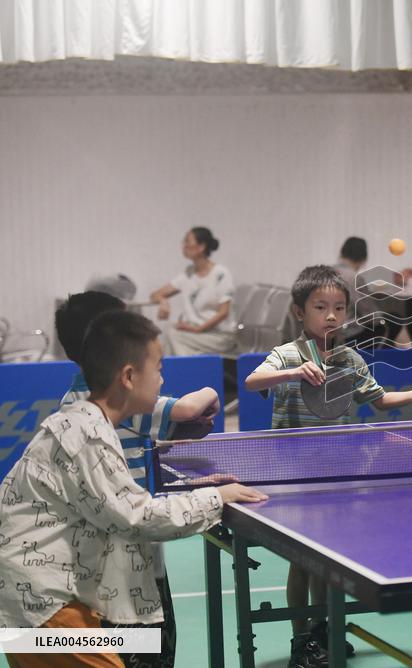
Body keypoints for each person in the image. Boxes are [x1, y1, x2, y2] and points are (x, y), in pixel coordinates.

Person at [0, 310, 266, 668]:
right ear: (128, 376)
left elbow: (117, 499)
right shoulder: (89, 435)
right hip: (44, 606)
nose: (162, 380)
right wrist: (216, 498)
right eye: (158, 368)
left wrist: (189, 489)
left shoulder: (88, 421)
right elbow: (137, 518)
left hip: (31, 598)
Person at [244, 265, 412, 668]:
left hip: (334, 473)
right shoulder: (286, 354)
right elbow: (253, 380)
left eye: (339, 307)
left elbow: (378, 400)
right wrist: (293, 372)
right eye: (321, 307)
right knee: (301, 563)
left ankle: (321, 630)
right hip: (294, 475)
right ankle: (301, 640)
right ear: (300, 312)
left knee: (324, 560)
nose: (331, 315)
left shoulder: (349, 359)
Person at [54, 291, 233, 668]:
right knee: (151, 654)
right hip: (132, 566)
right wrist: (212, 391)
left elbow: (131, 454)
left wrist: (188, 481)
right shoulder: (121, 397)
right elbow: (189, 407)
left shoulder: (72, 400)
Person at [150, 227, 236, 356]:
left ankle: (183, 367)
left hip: (218, 335)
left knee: (174, 335)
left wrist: (198, 329)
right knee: (166, 332)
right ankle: (186, 366)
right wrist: (163, 301)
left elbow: (224, 312)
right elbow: (155, 295)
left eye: (187, 241)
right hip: (195, 333)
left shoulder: (221, 274)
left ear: (201, 247)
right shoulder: (188, 274)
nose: (183, 246)